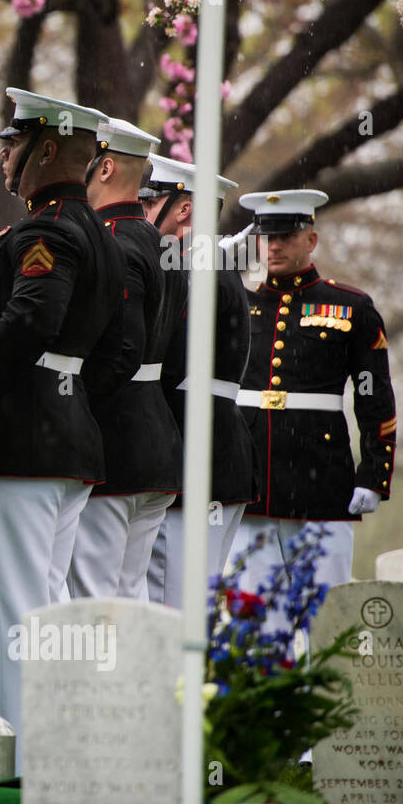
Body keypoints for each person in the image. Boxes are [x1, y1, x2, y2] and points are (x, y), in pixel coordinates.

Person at [0, 89, 128, 772]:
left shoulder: (44, 232)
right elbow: (117, 352)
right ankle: (47, 749)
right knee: (45, 610)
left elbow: (27, 324)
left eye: (14, 144)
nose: (4, 156)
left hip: (17, 444)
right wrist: (67, 393)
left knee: (13, 612)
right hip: (65, 440)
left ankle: (14, 754)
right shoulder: (101, 238)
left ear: (46, 149)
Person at [227, 189, 395, 602]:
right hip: (250, 482)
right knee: (255, 618)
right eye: (267, 237)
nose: (275, 246)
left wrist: (375, 472)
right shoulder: (237, 303)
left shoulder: (350, 306)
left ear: (311, 240)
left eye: (286, 235)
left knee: (324, 612)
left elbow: (374, 395)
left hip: (320, 480)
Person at [67, 118, 180, 601]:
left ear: (106, 166)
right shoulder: (164, 244)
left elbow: (123, 348)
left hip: (116, 441)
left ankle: (100, 683)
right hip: (156, 439)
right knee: (131, 599)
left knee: (94, 600)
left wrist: (70, 396)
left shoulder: (111, 240)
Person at [141, 154, 256, 607]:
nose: (143, 214)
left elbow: (167, 366)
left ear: (183, 209)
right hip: (216, 455)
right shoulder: (211, 265)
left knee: (175, 614)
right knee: (192, 611)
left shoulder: (193, 270)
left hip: (196, 459)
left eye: (149, 205)